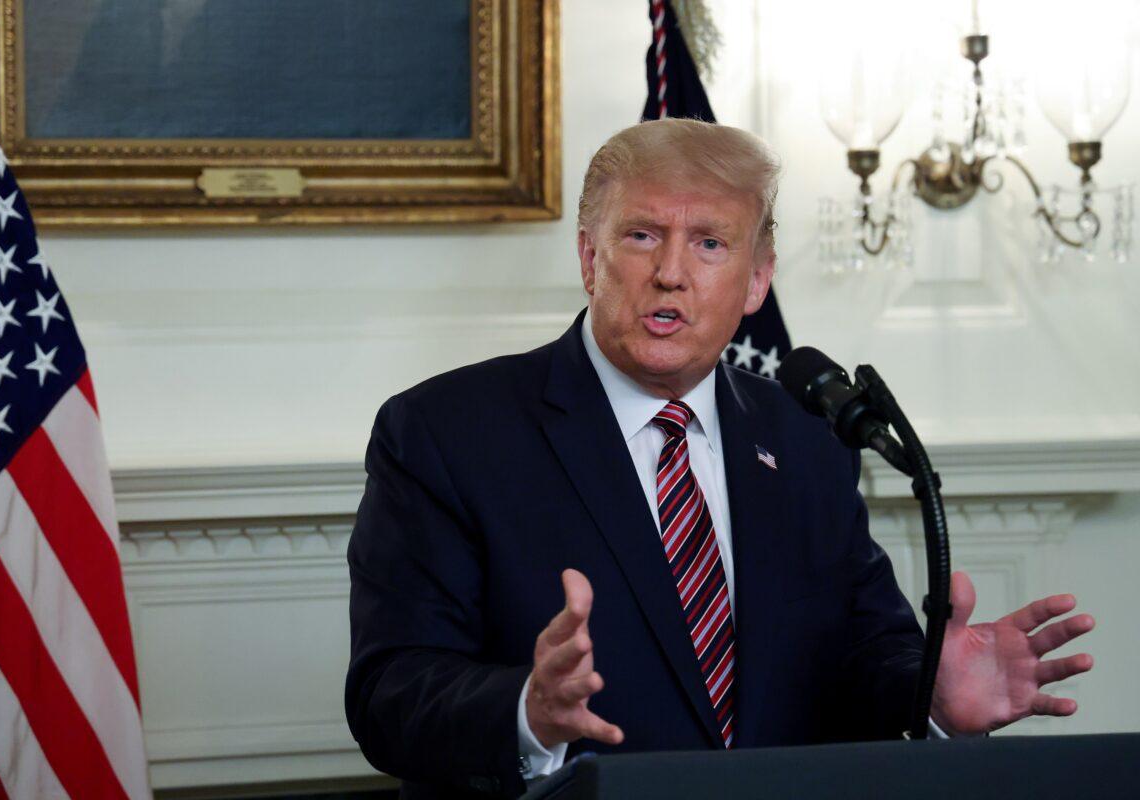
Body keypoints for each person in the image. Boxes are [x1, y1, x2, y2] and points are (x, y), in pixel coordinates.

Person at [345, 119, 1095, 799]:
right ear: (589, 257)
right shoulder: (445, 432)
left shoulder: (805, 435)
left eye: (710, 243)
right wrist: (526, 714)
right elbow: (390, 692)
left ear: (757, 278)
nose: (672, 272)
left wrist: (928, 697)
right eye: (642, 236)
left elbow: (864, 654)